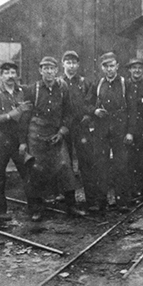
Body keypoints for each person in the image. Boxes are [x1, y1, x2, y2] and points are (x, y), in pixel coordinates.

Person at [20, 56, 86, 222]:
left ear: (56, 71)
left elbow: (68, 113)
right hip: (36, 135)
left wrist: (62, 132)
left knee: (65, 167)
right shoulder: (32, 89)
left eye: (52, 68)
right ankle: (37, 209)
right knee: (36, 170)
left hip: (56, 134)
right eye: (45, 68)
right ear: (40, 70)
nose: (49, 72)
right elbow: (24, 117)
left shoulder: (62, 88)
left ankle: (71, 206)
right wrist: (23, 141)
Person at [87, 52, 136, 210]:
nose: (109, 69)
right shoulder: (98, 84)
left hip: (120, 128)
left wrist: (130, 132)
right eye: (106, 66)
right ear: (102, 68)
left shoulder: (125, 83)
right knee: (101, 164)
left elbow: (133, 110)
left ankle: (122, 202)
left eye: (112, 66)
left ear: (117, 66)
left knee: (121, 165)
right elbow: (86, 104)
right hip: (101, 128)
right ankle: (101, 202)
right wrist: (94, 111)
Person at [0, 61, 32, 221]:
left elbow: (26, 117)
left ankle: (35, 208)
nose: (10, 76)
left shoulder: (23, 92)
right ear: (1, 76)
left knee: (28, 172)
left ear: (17, 75)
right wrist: (11, 114)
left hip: (18, 139)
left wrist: (23, 141)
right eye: (6, 73)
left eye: (13, 72)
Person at [60, 51, 96, 212]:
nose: (71, 66)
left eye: (74, 62)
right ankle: (70, 203)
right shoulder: (58, 83)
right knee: (66, 164)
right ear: (63, 64)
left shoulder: (85, 83)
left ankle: (92, 200)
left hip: (81, 127)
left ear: (78, 65)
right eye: (68, 62)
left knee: (86, 163)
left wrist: (88, 116)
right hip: (65, 128)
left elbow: (92, 102)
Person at [125, 58, 143, 196]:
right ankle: (127, 187)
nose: (137, 70)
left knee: (141, 158)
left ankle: (138, 187)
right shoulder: (125, 84)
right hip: (127, 127)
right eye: (134, 68)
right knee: (128, 158)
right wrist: (139, 101)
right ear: (130, 70)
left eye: (140, 68)